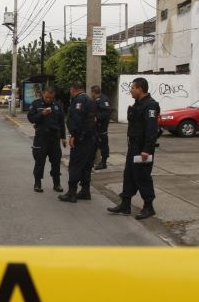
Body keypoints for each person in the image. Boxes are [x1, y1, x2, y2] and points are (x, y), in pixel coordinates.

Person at [108, 77, 160, 220]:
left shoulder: (150, 105)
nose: (130, 90)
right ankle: (125, 204)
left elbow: (151, 130)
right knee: (129, 174)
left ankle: (149, 207)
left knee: (142, 176)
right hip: (134, 146)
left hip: (143, 148)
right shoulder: (138, 104)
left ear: (140, 89)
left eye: (132, 88)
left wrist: (147, 149)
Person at [59, 81, 97, 203]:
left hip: (81, 139)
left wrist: (74, 135)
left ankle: (72, 193)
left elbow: (77, 120)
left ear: (73, 89)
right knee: (86, 166)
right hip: (91, 138)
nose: (70, 92)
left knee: (75, 166)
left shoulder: (79, 100)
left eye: (70, 90)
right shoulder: (90, 99)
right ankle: (85, 191)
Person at [27, 86, 66, 193]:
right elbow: (31, 118)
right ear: (43, 94)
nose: (48, 99)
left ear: (54, 96)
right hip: (41, 137)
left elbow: (61, 122)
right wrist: (41, 113)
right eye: (47, 97)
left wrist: (63, 137)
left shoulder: (57, 105)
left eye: (51, 98)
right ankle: (37, 183)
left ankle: (56, 183)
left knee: (56, 161)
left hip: (54, 138)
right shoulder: (36, 104)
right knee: (40, 161)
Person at [91, 85, 111, 170]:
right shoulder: (95, 100)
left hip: (101, 127)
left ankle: (103, 163)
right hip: (95, 128)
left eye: (91, 92)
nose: (91, 94)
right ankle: (91, 162)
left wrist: (97, 117)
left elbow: (107, 111)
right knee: (93, 145)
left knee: (103, 145)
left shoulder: (104, 99)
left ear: (93, 92)